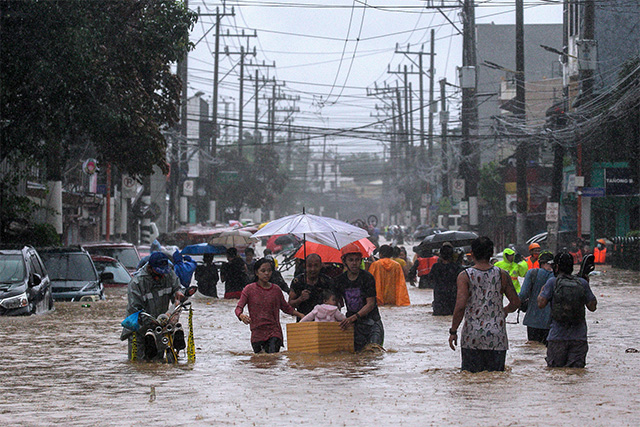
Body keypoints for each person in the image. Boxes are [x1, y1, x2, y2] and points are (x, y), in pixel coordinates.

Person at [449, 236, 520, 373]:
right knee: (495, 383)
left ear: (472, 254)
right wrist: (504, 311)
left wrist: (453, 331)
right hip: (497, 337)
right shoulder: (502, 275)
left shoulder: (464, 276)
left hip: (472, 337)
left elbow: (460, 306)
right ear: (492, 254)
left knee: (471, 381)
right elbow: (516, 302)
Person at [537, 251, 598, 368]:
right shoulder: (582, 283)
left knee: (557, 376)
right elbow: (592, 307)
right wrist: (586, 284)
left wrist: (543, 289)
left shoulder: (552, 283)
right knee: (576, 376)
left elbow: (541, 304)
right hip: (579, 338)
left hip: (557, 337)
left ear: (557, 267)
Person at [121, 252, 185, 360]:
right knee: (138, 363)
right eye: (158, 274)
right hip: (139, 329)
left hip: (160, 328)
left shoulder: (169, 275)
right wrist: (150, 322)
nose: (161, 277)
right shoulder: (137, 283)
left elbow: (178, 288)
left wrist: (179, 294)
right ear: (150, 268)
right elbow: (134, 308)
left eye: (163, 273)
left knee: (158, 362)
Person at [235, 258, 304, 353]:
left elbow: (286, 308)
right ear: (256, 272)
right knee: (261, 363)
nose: (266, 273)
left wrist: (301, 315)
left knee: (272, 358)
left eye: (269, 271)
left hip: (274, 332)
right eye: (263, 271)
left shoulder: (276, 290)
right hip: (257, 333)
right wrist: (241, 316)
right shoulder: (249, 289)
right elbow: (238, 308)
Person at [335, 243, 384, 351]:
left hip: (372, 322)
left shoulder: (367, 278)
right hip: (353, 325)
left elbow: (370, 304)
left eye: (357, 260)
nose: (354, 263)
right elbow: (336, 303)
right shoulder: (340, 280)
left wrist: (353, 317)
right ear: (344, 262)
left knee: (373, 352)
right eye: (351, 260)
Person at [518, 251, 555, 345]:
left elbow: (523, 295)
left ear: (540, 263)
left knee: (533, 349)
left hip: (533, 321)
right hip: (551, 322)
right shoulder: (557, 276)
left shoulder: (532, 273)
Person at [288, 253, 337, 318]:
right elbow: (290, 305)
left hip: (323, 320)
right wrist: (300, 299)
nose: (313, 269)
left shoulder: (327, 281)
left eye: (316, 266)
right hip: (304, 319)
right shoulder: (298, 281)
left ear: (321, 266)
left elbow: (336, 305)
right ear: (305, 266)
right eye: (310, 266)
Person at [426, 243, 462, 316]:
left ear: (440, 255)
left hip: (439, 300)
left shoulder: (436, 267)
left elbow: (430, 279)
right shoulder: (456, 267)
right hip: (453, 300)